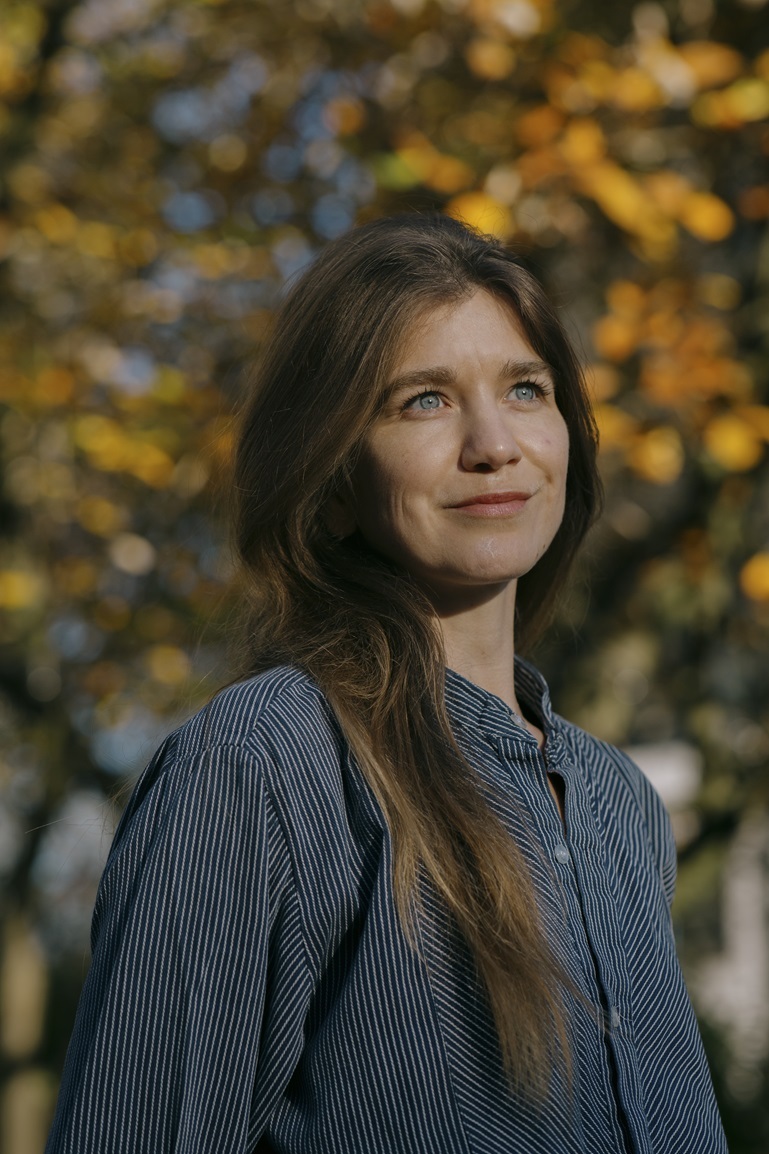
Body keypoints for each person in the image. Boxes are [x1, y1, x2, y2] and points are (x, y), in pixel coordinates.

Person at [46, 214, 726, 1153]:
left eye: (524, 389)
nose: (494, 443)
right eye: (423, 402)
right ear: (331, 477)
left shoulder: (619, 805)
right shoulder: (264, 765)